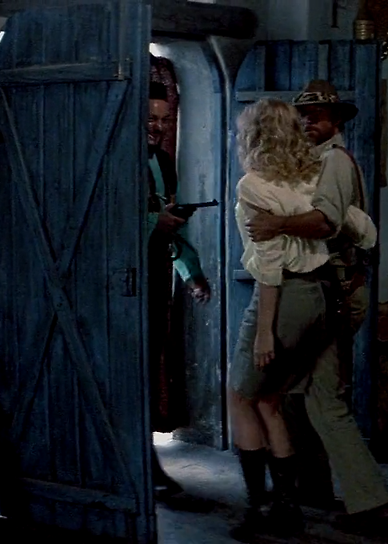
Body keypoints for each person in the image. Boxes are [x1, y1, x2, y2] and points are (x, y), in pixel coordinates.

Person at [245, 79, 388, 533]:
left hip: (335, 291)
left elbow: (325, 223)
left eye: (319, 115)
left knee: (323, 399)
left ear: (335, 121)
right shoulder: (311, 163)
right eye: (304, 116)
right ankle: (313, 487)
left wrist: (275, 224)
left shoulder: (333, 161)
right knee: (301, 394)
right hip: (324, 290)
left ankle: (373, 503)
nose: (309, 122)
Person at [146, 80, 211, 499]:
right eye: (150, 118)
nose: (158, 126)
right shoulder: (114, 157)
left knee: (149, 367)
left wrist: (191, 272)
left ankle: (146, 465)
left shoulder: (164, 161)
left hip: (155, 276)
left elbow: (170, 222)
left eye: (164, 119)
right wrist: (153, 222)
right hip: (117, 279)